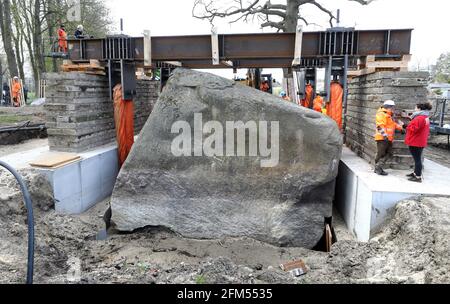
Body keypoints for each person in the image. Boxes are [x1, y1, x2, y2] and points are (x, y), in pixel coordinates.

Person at [374, 100, 404, 176]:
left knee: (389, 153)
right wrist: (384, 135)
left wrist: (401, 128)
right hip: (382, 138)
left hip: (387, 138)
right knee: (381, 154)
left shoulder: (388, 115)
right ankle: (378, 168)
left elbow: (392, 124)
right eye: (392, 107)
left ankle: (378, 167)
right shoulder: (381, 114)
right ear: (388, 107)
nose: (393, 109)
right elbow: (380, 126)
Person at [404, 102, 432, 183]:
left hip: (416, 141)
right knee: (417, 158)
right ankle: (415, 173)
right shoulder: (425, 117)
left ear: (419, 109)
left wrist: (405, 126)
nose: (414, 109)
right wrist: (411, 119)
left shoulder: (420, 118)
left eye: (415, 107)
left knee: (417, 159)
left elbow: (414, 129)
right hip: (420, 140)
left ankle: (418, 177)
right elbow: (419, 127)